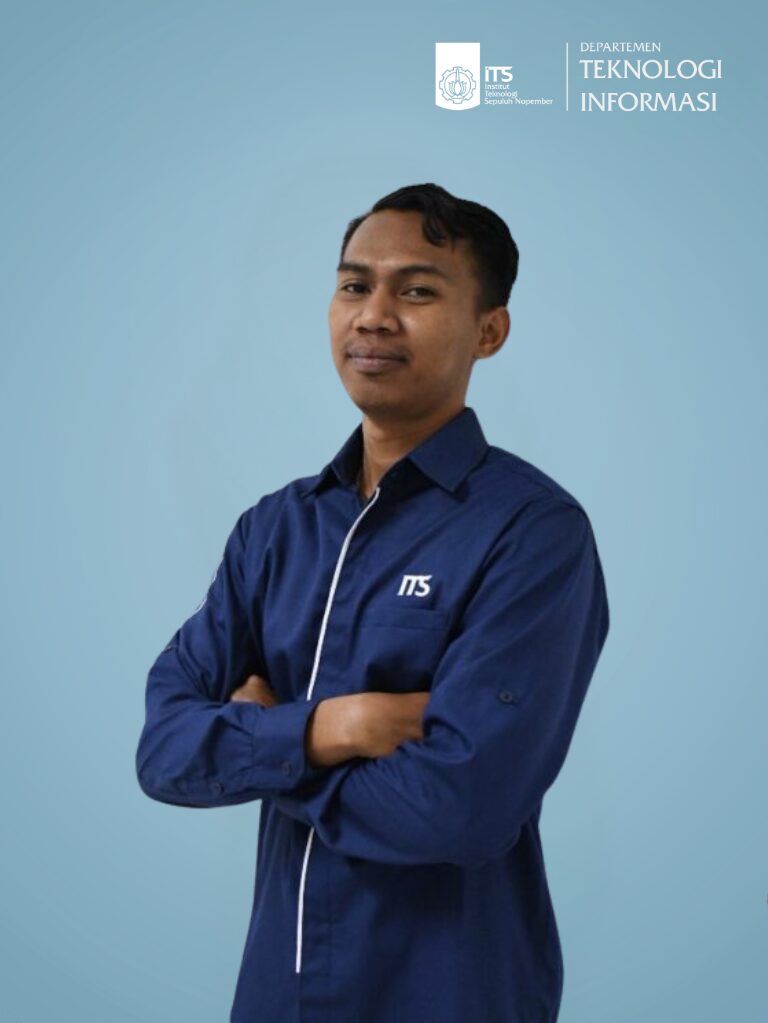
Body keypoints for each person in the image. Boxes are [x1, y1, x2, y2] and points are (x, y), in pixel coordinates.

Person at [135, 182, 610, 1023]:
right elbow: (165, 751)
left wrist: (266, 748)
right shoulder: (274, 530)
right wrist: (334, 727)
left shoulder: (532, 532)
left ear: (490, 330)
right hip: (276, 999)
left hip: (451, 997)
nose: (374, 316)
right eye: (355, 285)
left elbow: (460, 809)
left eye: (417, 291)